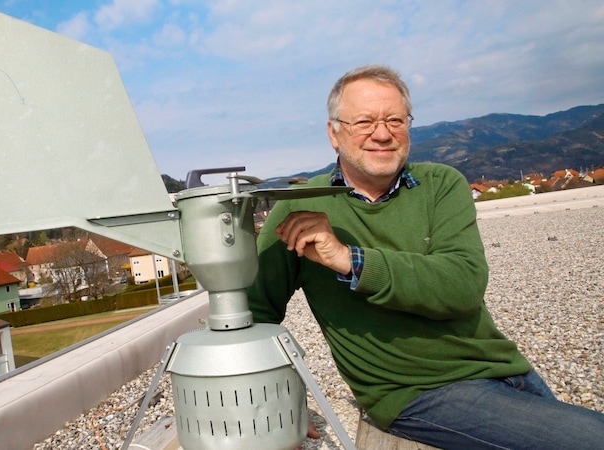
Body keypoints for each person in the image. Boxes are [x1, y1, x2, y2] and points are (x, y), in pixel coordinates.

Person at [247, 64, 604, 449]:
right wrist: (278, 402)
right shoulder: (299, 209)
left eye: (395, 120)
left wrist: (351, 260)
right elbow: (254, 312)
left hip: (505, 367)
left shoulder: (441, 184)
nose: (382, 134)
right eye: (364, 121)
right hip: (420, 393)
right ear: (334, 133)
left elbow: (463, 285)